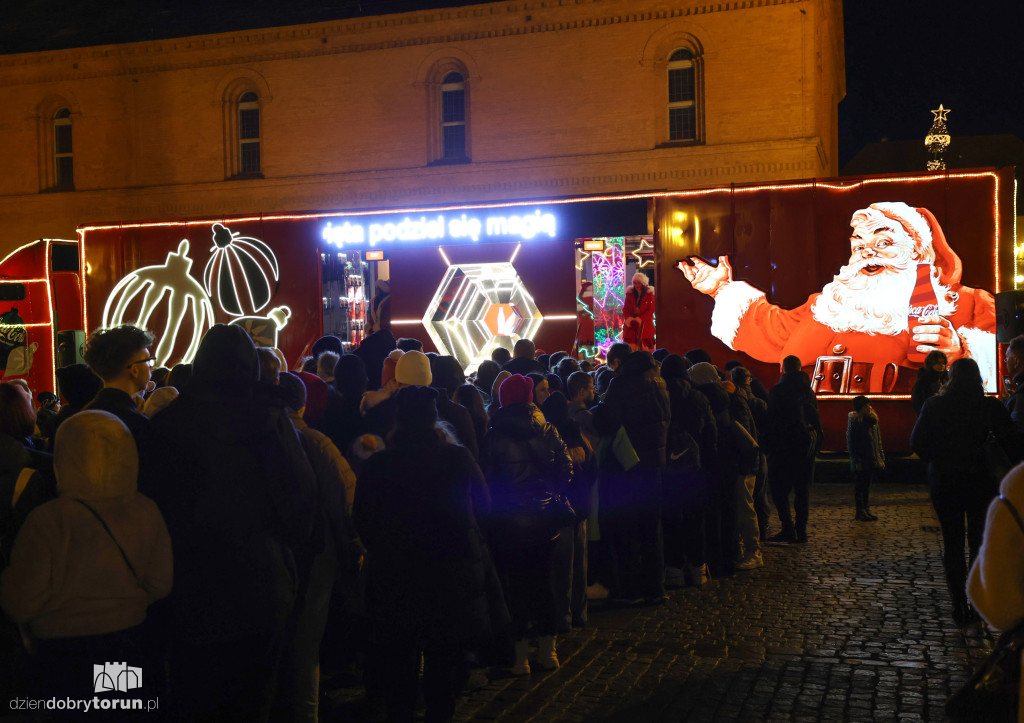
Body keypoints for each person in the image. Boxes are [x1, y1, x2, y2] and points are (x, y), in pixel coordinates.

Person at [141, 324, 316, 721]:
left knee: (195, 694)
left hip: (190, 582)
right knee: (254, 697)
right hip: (261, 578)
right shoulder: (269, 420)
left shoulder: (169, 425)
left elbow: (154, 500)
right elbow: (299, 497)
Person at [680, 202, 997, 393]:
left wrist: (962, 353)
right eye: (859, 244)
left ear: (918, 250)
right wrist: (720, 289)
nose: (867, 252)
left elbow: (1006, 362)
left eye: (884, 242)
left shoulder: (967, 304)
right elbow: (769, 329)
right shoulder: (825, 304)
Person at [1, 411, 172, 704]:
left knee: (72, 710)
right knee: (120, 707)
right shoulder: (145, 511)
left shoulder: (47, 520)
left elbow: (21, 602)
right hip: (126, 640)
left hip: (63, 653)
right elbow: (160, 583)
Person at [355, 385, 492, 722]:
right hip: (449, 573)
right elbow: (486, 509)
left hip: (395, 575)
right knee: (443, 663)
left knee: (399, 665)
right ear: (433, 421)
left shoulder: (380, 464)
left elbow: (361, 518)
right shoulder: (457, 458)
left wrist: (384, 547)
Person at [911, 357, 1021, 627]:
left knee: (952, 542)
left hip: (945, 481)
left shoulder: (934, 405)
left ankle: (958, 601)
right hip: (980, 480)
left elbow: (917, 443)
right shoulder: (989, 406)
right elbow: (1013, 442)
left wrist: (939, 459)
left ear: (951, 378)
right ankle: (977, 599)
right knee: (977, 540)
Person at [480, 374, 573, 675]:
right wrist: (551, 494)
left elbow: (488, 480)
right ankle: (548, 652)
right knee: (544, 584)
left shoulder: (493, 435)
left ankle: (519, 657)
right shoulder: (548, 430)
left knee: (514, 588)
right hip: (545, 521)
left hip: (508, 523)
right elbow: (565, 468)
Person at [763, 355, 822, 544]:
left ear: (784, 368)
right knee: (802, 491)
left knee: (779, 491)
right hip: (805, 448)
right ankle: (801, 530)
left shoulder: (778, 390)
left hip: (783, 448)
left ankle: (787, 528)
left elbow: (771, 421)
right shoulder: (808, 390)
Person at [82, 323, 156, 441]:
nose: (151, 367)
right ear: (134, 370)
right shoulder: (138, 426)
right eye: (148, 361)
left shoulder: (82, 417)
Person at [846, 396, 884, 522]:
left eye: (869, 405)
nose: (869, 408)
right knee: (860, 485)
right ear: (860, 408)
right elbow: (852, 443)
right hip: (862, 459)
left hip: (871, 457)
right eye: (866, 406)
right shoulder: (856, 422)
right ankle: (860, 511)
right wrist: (857, 460)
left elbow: (877, 441)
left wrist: (880, 457)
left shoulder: (872, 421)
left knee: (866, 485)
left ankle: (866, 510)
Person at [622, 272, 656, 352]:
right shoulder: (629, 294)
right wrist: (629, 319)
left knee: (646, 347)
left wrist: (640, 319)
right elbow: (625, 308)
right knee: (630, 348)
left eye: (639, 283)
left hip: (645, 325)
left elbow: (651, 310)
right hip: (631, 326)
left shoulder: (649, 294)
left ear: (643, 283)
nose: (636, 285)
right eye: (635, 283)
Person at [911, 349, 948, 414]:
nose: (942, 365)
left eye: (943, 363)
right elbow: (917, 402)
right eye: (938, 363)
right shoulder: (923, 381)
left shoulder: (947, 378)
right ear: (931, 364)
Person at [1005, 334, 1024, 433]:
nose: (1005, 361)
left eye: (1007, 358)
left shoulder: (1020, 395)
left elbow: (1016, 435)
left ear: (1016, 361)